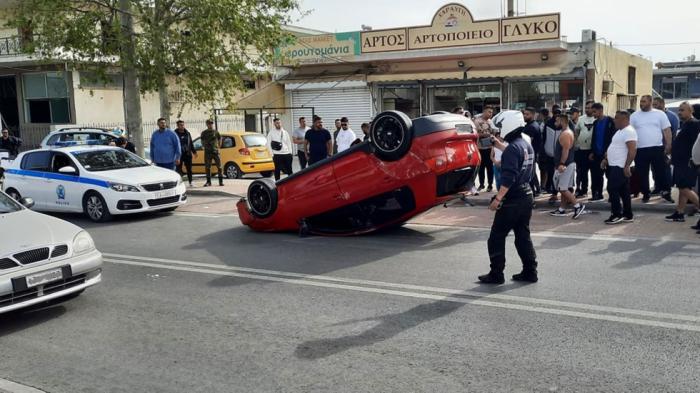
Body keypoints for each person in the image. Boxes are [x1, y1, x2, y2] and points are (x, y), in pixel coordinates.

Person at [478, 126, 539, 284]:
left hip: (513, 198)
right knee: (522, 236)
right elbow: (517, 155)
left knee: (496, 237)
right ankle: (530, 271)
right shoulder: (525, 144)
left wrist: (498, 199)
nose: (498, 132)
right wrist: (498, 145)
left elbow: (509, 177)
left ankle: (496, 274)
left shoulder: (513, 148)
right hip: (526, 195)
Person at [631, 95, 674, 204]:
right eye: (641, 101)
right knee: (642, 173)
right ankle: (646, 193)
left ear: (650, 102)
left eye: (644, 101)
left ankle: (666, 193)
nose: (641, 103)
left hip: (657, 148)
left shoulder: (660, 114)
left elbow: (667, 130)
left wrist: (668, 145)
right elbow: (630, 132)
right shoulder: (635, 116)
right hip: (640, 149)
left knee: (661, 172)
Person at [665, 102, 700, 223]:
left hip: (688, 162)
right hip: (679, 161)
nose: (679, 112)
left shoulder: (695, 124)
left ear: (691, 111)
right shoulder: (684, 124)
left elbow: (696, 145)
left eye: (683, 110)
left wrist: (693, 159)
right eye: (679, 110)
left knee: (684, 188)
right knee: (682, 188)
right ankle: (679, 213)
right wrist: (672, 158)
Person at [601, 111, 637, 224]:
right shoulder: (619, 132)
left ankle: (617, 214)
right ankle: (628, 214)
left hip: (620, 166)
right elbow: (614, 147)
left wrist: (627, 166)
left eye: (617, 118)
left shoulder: (629, 131)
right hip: (614, 164)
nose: (614, 120)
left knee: (612, 188)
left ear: (625, 119)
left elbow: (632, 150)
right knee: (624, 191)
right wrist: (606, 159)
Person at [550, 114, 586, 219]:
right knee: (563, 187)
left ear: (562, 121)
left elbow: (565, 151)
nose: (555, 123)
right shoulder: (566, 132)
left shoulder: (566, 134)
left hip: (566, 165)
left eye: (557, 121)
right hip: (567, 164)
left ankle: (578, 206)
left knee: (562, 188)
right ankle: (562, 209)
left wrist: (561, 164)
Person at [590, 103, 616, 201]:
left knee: (610, 175)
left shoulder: (610, 121)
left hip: (608, 154)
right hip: (597, 153)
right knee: (596, 175)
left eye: (594, 111)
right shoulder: (595, 123)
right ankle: (597, 194)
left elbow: (613, 138)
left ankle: (612, 195)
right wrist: (592, 151)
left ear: (600, 110)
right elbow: (594, 137)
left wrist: (609, 151)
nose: (593, 114)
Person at [574, 102, 595, 198]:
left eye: (589, 108)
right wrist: (577, 142)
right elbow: (576, 131)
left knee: (594, 172)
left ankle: (595, 191)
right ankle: (582, 189)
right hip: (581, 150)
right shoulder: (581, 119)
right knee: (582, 172)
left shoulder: (596, 119)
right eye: (586, 108)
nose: (587, 110)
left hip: (592, 150)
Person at [542, 106, 562, 204]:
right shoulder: (548, 124)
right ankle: (553, 193)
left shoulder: (564, 125)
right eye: (555, 114)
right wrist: (543, 151)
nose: (557, 116)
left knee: (559, 175)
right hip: (549, 153)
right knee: (551, 173)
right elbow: (544, 138)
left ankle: (562, 192)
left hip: (560, 155)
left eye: (559, 114)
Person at [474, 105, 497, 192]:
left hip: (490, 148)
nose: (490, 114)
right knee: (481, 168)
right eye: (489, 112)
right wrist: (486, 135)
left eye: (491, 112)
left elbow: (494, 133)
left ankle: (490, 185)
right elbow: (476, 134)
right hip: (480, 148)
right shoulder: (477, 121)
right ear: (484, 111)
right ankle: (481, 184)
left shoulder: (491, 122)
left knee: (490, 168)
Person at [522, 107, 542, 196]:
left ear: (533, 115)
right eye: (524, 114)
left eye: (527, 114)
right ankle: (537, 189)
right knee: (532, 172)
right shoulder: (531, 125)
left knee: (529, 173)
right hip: (533, 153)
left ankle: (533, 192)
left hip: (531, 153)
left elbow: (528, 142)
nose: (524, 116)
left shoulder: (532, 127)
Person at [200, 119, 223, 187]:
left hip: (215, 151)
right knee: (207, 167)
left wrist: (219, 146)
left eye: (211, 123)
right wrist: (204, 146)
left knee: (219, 167)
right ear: (207, 124)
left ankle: (220, 181)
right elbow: (202, 140)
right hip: (208, 152)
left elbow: (220, 138)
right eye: (209, 124)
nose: (210, 125)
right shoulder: (204, 132)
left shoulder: (216, 132)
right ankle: (208, 182)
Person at [175, 120, 197, 186]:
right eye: (180, 125)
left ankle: (191, 182)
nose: (182, 126)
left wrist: (194, 152)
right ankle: (179, 183)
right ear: (177, 126)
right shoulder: (174, 134)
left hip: (187, 154)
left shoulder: (187, 133)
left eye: (183, 125)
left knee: (189, 169)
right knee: (179, 169)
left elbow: (191, 143)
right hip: (179, 155)